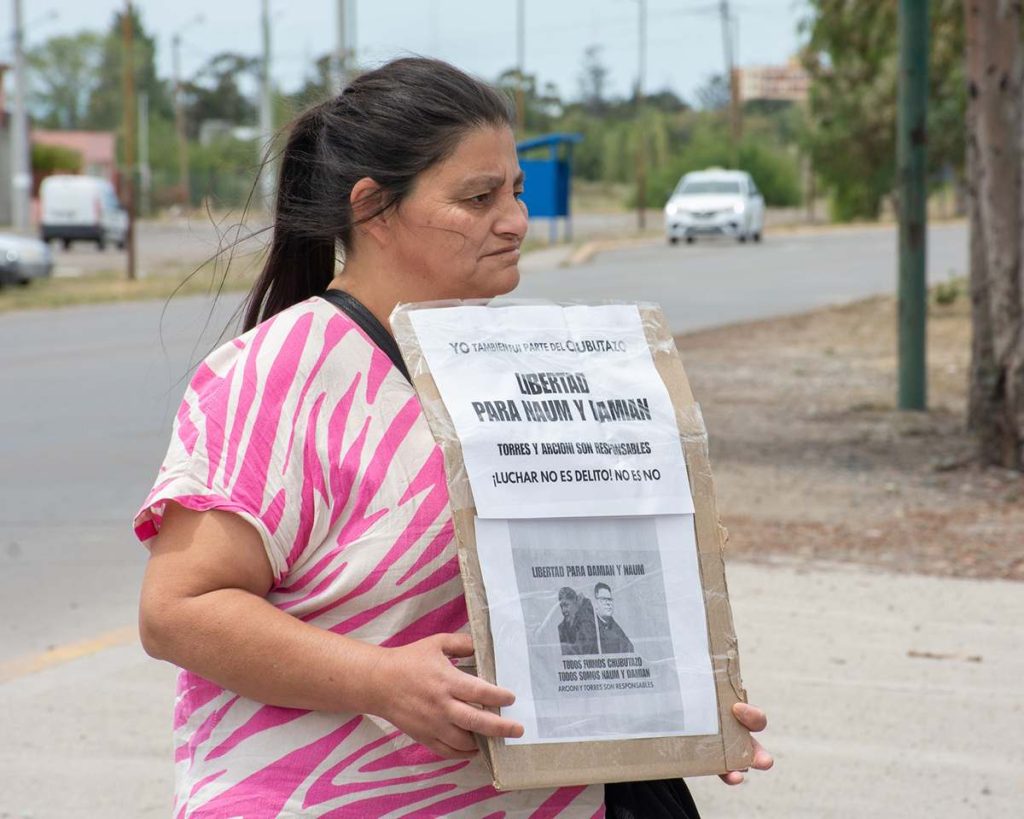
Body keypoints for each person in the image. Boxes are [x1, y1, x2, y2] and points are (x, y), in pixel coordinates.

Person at [136, 57, 771, 817]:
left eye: (517, 190)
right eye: (478, 197)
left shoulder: (541, 363)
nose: (515, 220)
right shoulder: (275, 373)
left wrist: (681, 709)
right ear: (373, 208)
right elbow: (177, 609)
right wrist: (380, 679)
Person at [593, 582, 634, 654]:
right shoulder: (589, 627)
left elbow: (629, 648)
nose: (608, 603)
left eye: (610, 599)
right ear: (595, 604)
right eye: (603, 599)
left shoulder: (615, 627)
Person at [557, 586, 598, 655]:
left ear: (575, 602)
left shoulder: (587, 621)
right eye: (561, 606)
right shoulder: (563, 626)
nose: (563, 610)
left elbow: (583, 649)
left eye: (566, 605)